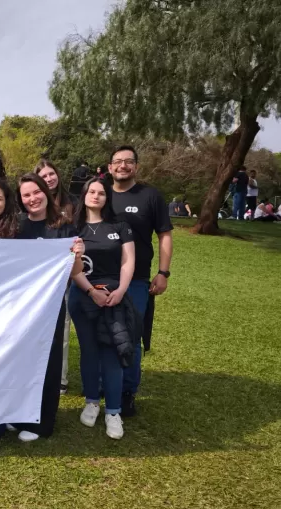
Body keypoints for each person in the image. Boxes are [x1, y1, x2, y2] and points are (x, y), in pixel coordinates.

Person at [0, 175, 83, 442]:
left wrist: (77, 254)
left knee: (47, 362)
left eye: (36, 192)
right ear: (19, 200)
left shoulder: (63, 228)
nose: (32, 199)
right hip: (16, 307)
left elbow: (74, 271)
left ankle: (40, 423)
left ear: (46, 193)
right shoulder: (16, 226)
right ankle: (13, 414)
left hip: (49, 306)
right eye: (26, 195)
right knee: (15, 360)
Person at [109, 145, 173, 417]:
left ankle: (127, 392)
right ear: (110, 167)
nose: (123, 166)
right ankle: (106, 384)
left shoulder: (150, 196)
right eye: (118, 161)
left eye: (128, 162)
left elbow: (165, 235)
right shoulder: (99, 192)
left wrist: (163, 272)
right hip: (100, 277)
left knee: (131, 336)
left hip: (136, 278)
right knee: (104, 336)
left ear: (136, 166)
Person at [69, 178, 136, 440]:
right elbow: (71, 268)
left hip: (113, 298)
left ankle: (113, 411)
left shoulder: (120, 226)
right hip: (83, 295)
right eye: (91, 192)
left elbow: (128, 261)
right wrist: (90, 291)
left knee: (112, 353)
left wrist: (120, 291)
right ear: (84, 195)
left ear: (107, 198)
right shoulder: (73, 228)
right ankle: (91, 401)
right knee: (89, 350)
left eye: (101, 193)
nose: (95, 196)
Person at [34, 160, 76, 394]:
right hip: (36, 284)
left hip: (62, 279)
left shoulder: (71, 205)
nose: (49, 178)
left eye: (52, 174)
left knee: (62, 329)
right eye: (44, 176)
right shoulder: (26, 216)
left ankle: (60, 378)